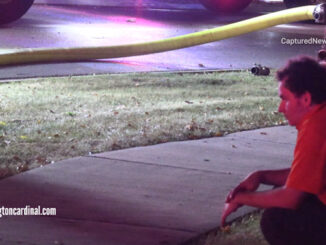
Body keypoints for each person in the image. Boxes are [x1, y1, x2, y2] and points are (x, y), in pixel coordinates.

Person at [221, 56, 326, 245]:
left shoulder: (315, 126)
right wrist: (261, 176)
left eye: (285, 99)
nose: (280, 108)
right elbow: (309, 175)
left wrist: (241, 198)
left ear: (306, 98)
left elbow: (290, 198)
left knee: (278, 219)